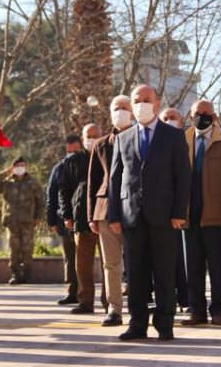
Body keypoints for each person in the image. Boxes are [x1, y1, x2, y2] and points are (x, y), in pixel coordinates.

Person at [108, 84, 190, 341]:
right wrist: (114, 215)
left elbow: (183, 176)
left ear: (156, 104)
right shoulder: (122, 138)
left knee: (164, 271)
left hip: (164, 215)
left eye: (147, 99)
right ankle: (137, 323)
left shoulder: (173, 136)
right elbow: (115, 179)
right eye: (137, 100)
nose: (141, 104)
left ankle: (165, 323)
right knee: (135, 273)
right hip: (131, 216)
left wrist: (179, 211)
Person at [181, 99, 221, 327]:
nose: (202, 117)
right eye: (198, 113)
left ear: (214, 116)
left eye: (207, 113)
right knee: (193, 267)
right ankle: (196, 311)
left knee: (217, 267)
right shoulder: (181, 142)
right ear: (191, 117)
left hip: (217, 215)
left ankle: (218, 310)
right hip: (188, 215)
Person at [88, 96, 135, 327]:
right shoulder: (101, 144)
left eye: (125, 108)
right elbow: (93, 181)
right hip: (105, 209)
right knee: (111, 263)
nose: (120, 112)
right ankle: (114, 309)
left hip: (134, 208)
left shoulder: (141, 138)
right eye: (116, 108)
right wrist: (91, 215)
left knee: (137, 262)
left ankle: (138, 306)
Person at [60, 123, 104, 314]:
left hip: (104, 219)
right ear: (82, 139)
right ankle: (85, 302)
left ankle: (109, 302)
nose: (92, 139)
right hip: (81, 220)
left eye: (95, 135)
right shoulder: (73, 161)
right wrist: (67, 215)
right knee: (82, 265)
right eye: (88, 136)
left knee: (108, 264)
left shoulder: (108, 154)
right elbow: (64, 190)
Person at [0, 156, 44, 285]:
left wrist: (38, 217)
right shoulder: (7, 182)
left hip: (28, 221)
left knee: (27, 248)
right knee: (13, 248)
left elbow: (40, 201)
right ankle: (15, 274)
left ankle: (26, 274)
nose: (20, 168)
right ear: (13, 167)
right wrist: (5, 173)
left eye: (22, 165)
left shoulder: (32, 182)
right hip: (12, 221)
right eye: (17, 165)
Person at [159, 106, 191, 312]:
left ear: (181, 121)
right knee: (166, 260)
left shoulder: (186, 140)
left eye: (173, 117)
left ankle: (186, 298)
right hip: (161, 211)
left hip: (183, 210)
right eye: (165, 117)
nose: (169, 120)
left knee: (184, 258)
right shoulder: (155, 142)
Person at [47, 140, 78, 304]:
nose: (72, 156)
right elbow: (51, 195)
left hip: (85, 219)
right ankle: (72, 291)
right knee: (70, 258)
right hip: (64, 219)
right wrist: (51, 220)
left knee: (85, 258)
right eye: (69, 152)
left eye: (75, 152)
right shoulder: (59, 169)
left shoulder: (88, 164)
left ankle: (87, 293)